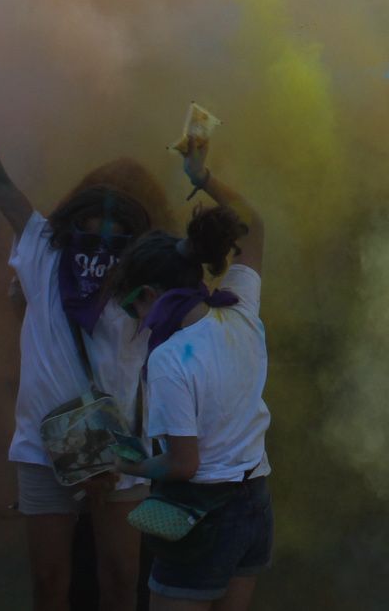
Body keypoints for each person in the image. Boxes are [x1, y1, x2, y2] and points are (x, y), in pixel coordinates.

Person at [0, 114, 162, 611]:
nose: (104, 233)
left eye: (117, 226)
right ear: (76, 216)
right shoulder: (45, 249)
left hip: (116, 447)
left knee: (120, 579)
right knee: (49, 583)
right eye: (94, 222)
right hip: (43, 444)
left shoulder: (144, 273)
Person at [110, 131, 270, 611]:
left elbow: (183, 465)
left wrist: (125, 462)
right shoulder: (239, 308)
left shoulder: (170, 359)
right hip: (255, 506)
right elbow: (255, 226)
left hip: (202, 515)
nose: (135, 320)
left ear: (150, 297)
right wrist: (203, 178)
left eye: (131, 307)